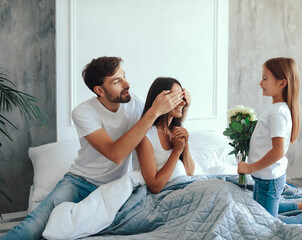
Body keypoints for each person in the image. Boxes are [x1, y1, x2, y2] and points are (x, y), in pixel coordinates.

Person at [1, 57, 187, 240]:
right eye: (117, 81)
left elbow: (165, 128)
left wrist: (183, 106)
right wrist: (154, 111)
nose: (127, 83)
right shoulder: (84, 112)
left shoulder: (136, 104)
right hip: (80, 182)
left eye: (124, 76)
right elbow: (116, 154)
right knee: (37, 223)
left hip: (118, 186)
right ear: (99, 90)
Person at [42, 77, 195, 239]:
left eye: (183, 96)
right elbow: (155, 186)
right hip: (158, 195)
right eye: (176, 97)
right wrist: (176, 152)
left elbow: (190, 172)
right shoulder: (146, 137)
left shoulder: (177, 131)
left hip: (182, 189)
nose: (182, 102)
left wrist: (184, 144)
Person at [237, 57, 302, 225]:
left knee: (266, 226)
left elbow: (278, 151)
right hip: (265, 177)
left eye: (265, 78)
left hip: (268, 180)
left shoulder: (277, 112)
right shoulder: (276, 109)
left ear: (282, 83)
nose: (260, 83)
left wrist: (250, 167)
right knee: (256, 210)